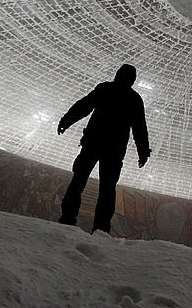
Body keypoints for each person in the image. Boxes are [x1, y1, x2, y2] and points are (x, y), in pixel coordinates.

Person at [57, 63, 151, 233]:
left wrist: (67, 120)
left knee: (79, 180)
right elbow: (140, 129)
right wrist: (143, 152)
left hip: (93, 143)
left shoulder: (105, 89)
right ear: (133, 80)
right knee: (107, 189)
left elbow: (84, 106)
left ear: (117, 74)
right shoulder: (135, 100)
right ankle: (101, 228)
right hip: (114, 150)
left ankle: (68, 218)